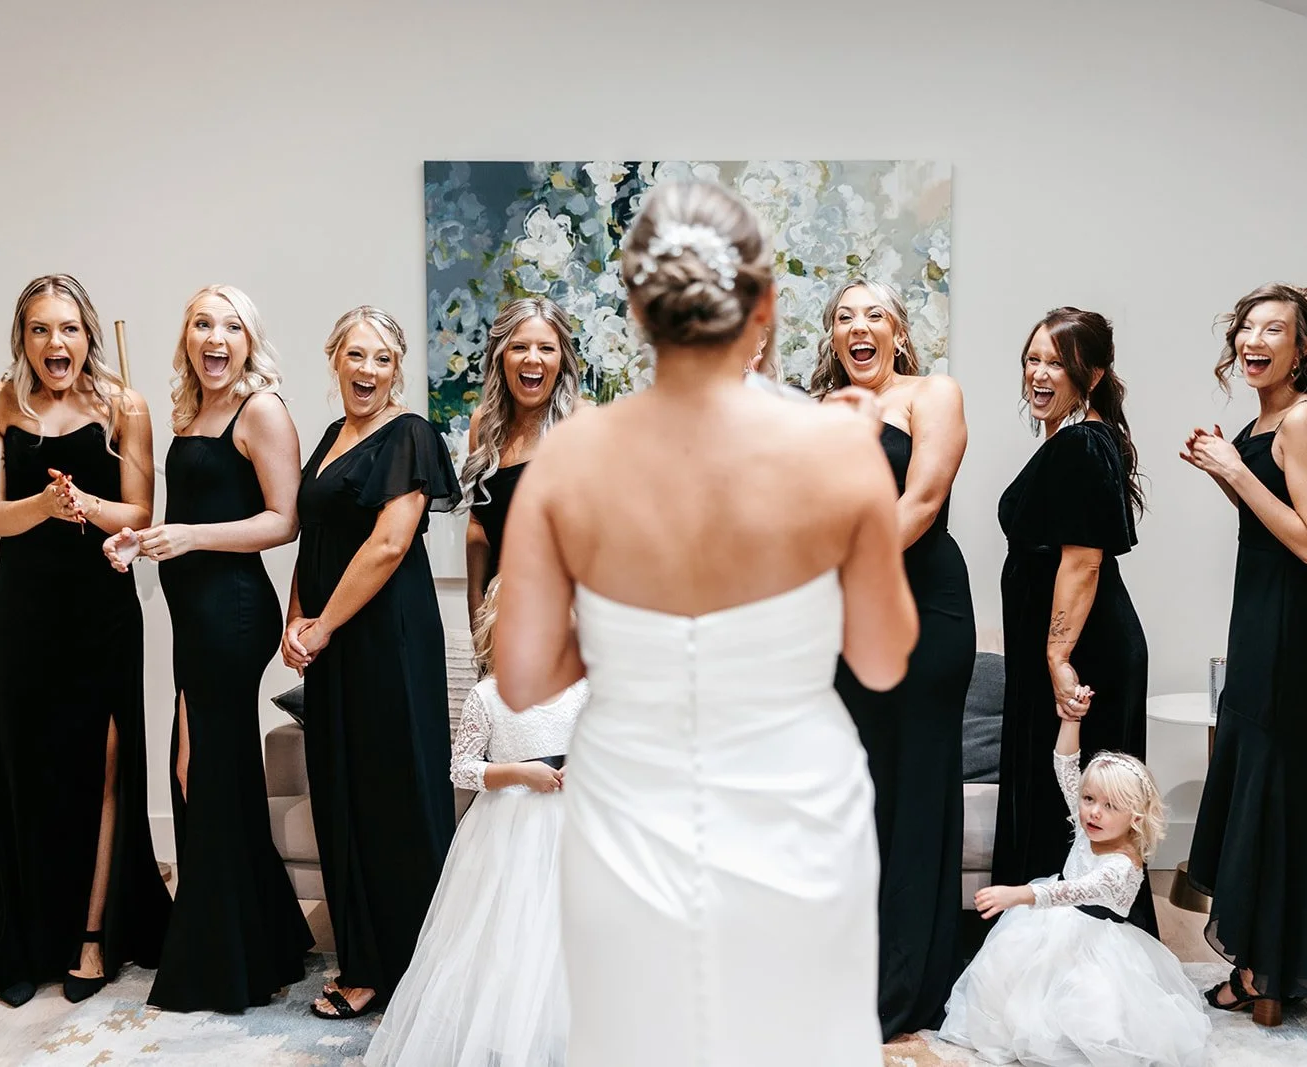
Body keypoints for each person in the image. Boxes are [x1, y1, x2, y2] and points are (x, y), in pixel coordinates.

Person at [493, 180, 918, 1066]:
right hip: (799, 807)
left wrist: (624, 638)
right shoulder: (839, 449)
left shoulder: (569, 455)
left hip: (625, 811)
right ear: (764, 303)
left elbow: (526, 677)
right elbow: (881, 660)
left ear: (638, 306)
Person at [105, 285, 311, 1011]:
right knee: (196, 770)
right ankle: (269, 939)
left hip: (232, 613)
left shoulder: (262, 409)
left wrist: (189, 538)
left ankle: (227, 960)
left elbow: (283, 521)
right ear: (187, 338)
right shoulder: (192, 410)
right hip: (192, 615)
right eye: (202, 323)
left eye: (230, 326)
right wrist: (142, 539)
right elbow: (185, 516)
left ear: (249, 341)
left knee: (206, 773)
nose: (215, 337)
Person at [0, 273, 168, 1006]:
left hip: (102, 612)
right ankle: (23, 939)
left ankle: (90, 935)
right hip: (23, 614)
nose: (58, 343)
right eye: (42, 329)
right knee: (26, 768)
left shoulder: (125, 405)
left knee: (106, 765)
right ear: (23, 337)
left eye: (70, 328)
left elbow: (140, 510)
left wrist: (87, 504)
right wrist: (47, 506)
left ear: (88, 333)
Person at [1181, 283, 1307, 1026]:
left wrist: (1234, 467)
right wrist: (1226, 471)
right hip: (1264, 611)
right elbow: (1270, 518)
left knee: (1276, 788)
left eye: (1273, 330)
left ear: (1304, 347)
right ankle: (1292, 965)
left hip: (1295, 622)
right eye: (1247, 328)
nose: (1254, 340)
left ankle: (1263, 970)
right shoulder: (1269, 416)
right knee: (1273, 784)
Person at [283, 306, 461, 1020]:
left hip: (386, 636)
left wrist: (322, 624)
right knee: (341, 792)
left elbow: (389, 545)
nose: (367, 370)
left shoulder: (411, 434)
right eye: (355, 355)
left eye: (382, 359)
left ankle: (408, 967)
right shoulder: (331, 436)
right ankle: (360, 956)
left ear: (398, 369)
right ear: (335, 359)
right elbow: (313, 536)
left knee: (393, 794)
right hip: (330, 639)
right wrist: (293, 621)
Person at [810, 276, 974, 1037]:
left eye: (873, 313)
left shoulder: (932, 393)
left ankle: (905, 989)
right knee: (856, 796)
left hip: (923, 611)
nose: (858, 326)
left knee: (913, 793)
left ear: (899, 331)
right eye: (845, 317)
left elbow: (923, 498)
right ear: (834, 338)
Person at [367, 577, 587, 1066]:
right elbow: (461, 768)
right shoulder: (488, 697)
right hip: (507, 830)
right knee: (509, 933)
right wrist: (519, 774)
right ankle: (505, 1030)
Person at [992, 308, 1157, 937]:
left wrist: (1058, 658)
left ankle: (1084, 971)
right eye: (1032, 359)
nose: (1038, 374)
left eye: (1055, 362)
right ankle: (1041, 959)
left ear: (1092, 372)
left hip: (1084, 653)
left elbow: (1084, 562)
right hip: (1068, 649)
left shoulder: (1084, 443)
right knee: (1068, 809)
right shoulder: (1077, 438)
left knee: (1086, 814)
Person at [940, 708, 1208, 1067]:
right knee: (1012, 981)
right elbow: (1065, 767)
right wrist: (1071, 721)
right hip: (1050, 926)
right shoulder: (1089, 827)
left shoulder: (1122, 866)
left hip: (1095, 941)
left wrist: (1017, 894)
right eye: (1089, 800)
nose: (1093, 812)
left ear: (1136, 818)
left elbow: (1073, 891)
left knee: (1089, 1008)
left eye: (1110, 806)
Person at [459, 298, 582, 624]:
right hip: (499, 622)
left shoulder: (585, 424)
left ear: (562, 359)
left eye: (546, 348)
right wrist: (476, 606)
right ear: (501, 357)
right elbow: (478, 529)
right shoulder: (482, 424)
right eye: (519, 347)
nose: (533, 359)